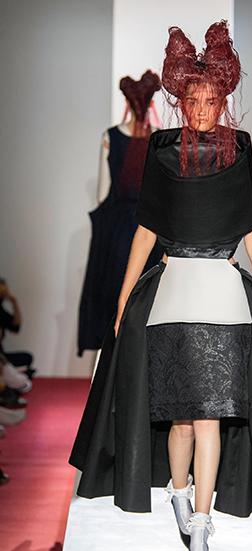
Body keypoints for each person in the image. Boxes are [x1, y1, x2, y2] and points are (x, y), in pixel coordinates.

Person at [70, 21, 252, 551]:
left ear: (224, 102)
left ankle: (201, 524)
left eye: (211, 100)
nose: (201, 110)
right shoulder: (163, 149)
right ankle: (179, 493)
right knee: (179, 420)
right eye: (193, 100)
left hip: (224, 294)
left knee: (209, 419)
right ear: (180, 101)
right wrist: (123, 299)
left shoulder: (239, 149)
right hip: (173, 292)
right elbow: (146, 230)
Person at [78, 71, 164, 356]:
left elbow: (102, 195)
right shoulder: (159, 140)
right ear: (151, 103)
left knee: (112, 308)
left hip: (116, 234)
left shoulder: (111, 137)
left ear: (127, 101)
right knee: (147, 307)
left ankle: (108, 374)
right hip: (151, 233)